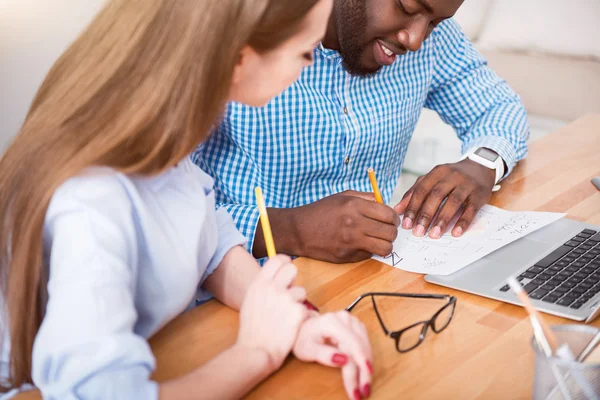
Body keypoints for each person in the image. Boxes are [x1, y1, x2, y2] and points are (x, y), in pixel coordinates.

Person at [0, 0, 373, 399]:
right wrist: (257, 352)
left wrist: (292, 321)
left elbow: (208, 238)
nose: (312, 63)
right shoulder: (93, 201)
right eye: (306, 51)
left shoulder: (165, 137)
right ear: (240, 57)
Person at [194, 0, 531, 264]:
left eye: (433, 23)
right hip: (242, 286)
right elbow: (163, 209)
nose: (415, 40)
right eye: (407, 7)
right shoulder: (238, 39)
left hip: (375, 273)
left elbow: (499, 107)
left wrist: (482, 163)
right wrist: (286, 230)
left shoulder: (432, 41)